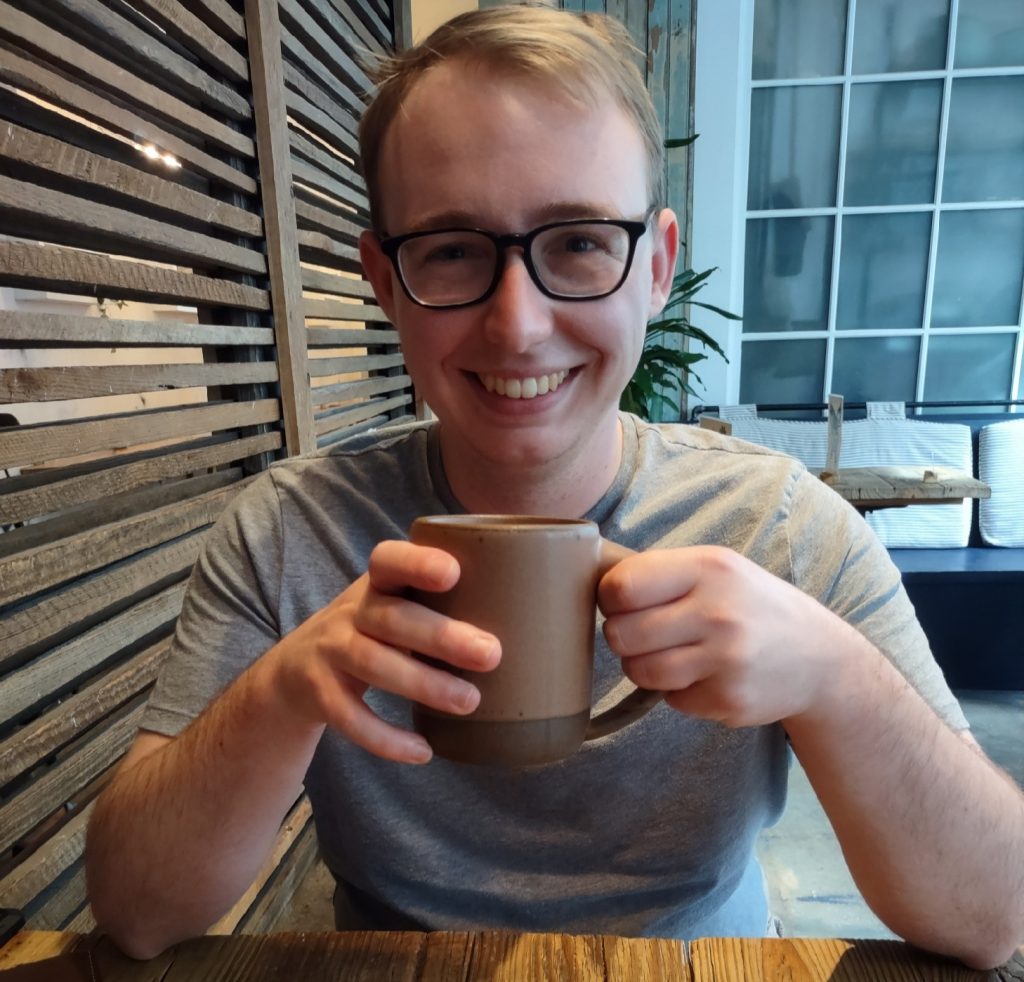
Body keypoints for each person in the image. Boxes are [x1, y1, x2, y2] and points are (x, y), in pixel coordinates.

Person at [86, 6, 1024, 967]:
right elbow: (139, 912)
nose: (519, 326)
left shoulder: (781, 526)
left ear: (655, 268)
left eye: (577, 242)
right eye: (450, 250)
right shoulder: (293, 531)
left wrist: (838, 679)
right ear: (383, 280)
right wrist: (283, 691)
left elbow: (995, 915)